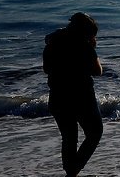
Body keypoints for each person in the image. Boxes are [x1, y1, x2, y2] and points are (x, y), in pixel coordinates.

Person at [43, 12, 104, 177]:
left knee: (69, 138)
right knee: (95, 132)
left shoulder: (53, 43)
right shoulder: (84, 46)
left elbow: (46, 69)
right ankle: (73, 170)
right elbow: (98, 71)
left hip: (57, 96)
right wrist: (92, 47)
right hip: (82, 96)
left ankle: (72, 172)